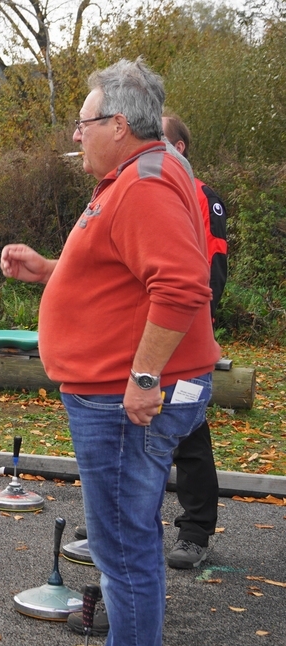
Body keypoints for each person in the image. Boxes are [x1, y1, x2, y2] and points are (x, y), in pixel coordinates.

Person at [0, 59, 220, 646]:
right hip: (111, 393)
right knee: (124, 543)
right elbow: (123, 273)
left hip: (122, 401)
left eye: (85, 122)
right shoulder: (140, 173)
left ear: (117, 124)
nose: (77, 133)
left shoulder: (145, 184)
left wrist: (145, 378)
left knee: (124, 547)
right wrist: (51, 271)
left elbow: (182, 288)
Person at [162, 113, 229, 569]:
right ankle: (127, 520)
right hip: (141, 332)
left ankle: (195, 532)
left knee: (188, 428)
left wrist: (190, 322)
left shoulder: (203, 196)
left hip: (186, 334)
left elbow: (214, 270)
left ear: (179, 148)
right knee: (134, 428)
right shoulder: (145, 189)